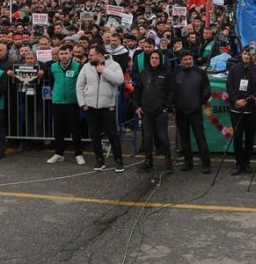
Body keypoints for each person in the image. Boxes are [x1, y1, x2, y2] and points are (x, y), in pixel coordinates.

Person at [77, 43, 125, 172]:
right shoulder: (86, 67)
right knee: (94, 135)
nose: (89, 57)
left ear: (100, 55)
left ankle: (118, 161)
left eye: (91, 55)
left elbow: (120, 80)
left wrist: (104, 71)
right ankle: (99, 160)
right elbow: (79, 86)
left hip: (107, 107)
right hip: (91, 107)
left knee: (112, 135)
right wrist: (82, 103)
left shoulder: (114, 66)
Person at [225, 46, 256, 175]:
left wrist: (249, 100)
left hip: (250, 109)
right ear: (241, 54)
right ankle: (238, 163)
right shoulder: (234, 69)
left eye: (250, 54)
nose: (247, 56)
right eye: (245, 53)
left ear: (254, 56)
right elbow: (229, 86)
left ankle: (247, 163)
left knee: (249, 137)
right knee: (237, 137)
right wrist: (236, 100)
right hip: (236, 109)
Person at [172, 50, 212, 173]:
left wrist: (200, 101)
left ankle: (206, 164)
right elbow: (172, 91)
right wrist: (174, 104)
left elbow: (206, 88)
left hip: (195, 111)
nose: (188, 61)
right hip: (181, 112)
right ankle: (188, 163)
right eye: (185, 60)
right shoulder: (176, 73)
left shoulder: (200, 72)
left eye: (190, 59)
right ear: (181, 61)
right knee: (184, 139)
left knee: (200, 137)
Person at [134, 49, 174, 172]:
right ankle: (148, 161)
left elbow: (171, 91)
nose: (154, 60)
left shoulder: (167, 73)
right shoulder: (144, 73)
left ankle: (168, 163)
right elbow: (137, 91)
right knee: (147, 138)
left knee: (163, 138)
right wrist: (137, 106)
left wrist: (166, 106)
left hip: (160, 111)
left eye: (156, 58)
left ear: (160, 59)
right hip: (147, 112)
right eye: (152, 58)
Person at [46, 43, 85, 165]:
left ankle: (78, 154)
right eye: (61, 54)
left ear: (71, 54)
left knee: (75, 129)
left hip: (72, 102)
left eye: (66, 53)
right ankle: (59, 153)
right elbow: (52, 83)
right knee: (58, 129)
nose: (63, 56)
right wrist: (57, 93)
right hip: (57, 102)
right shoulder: (53, 67)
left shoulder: (78, 67)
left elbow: (81, 84)